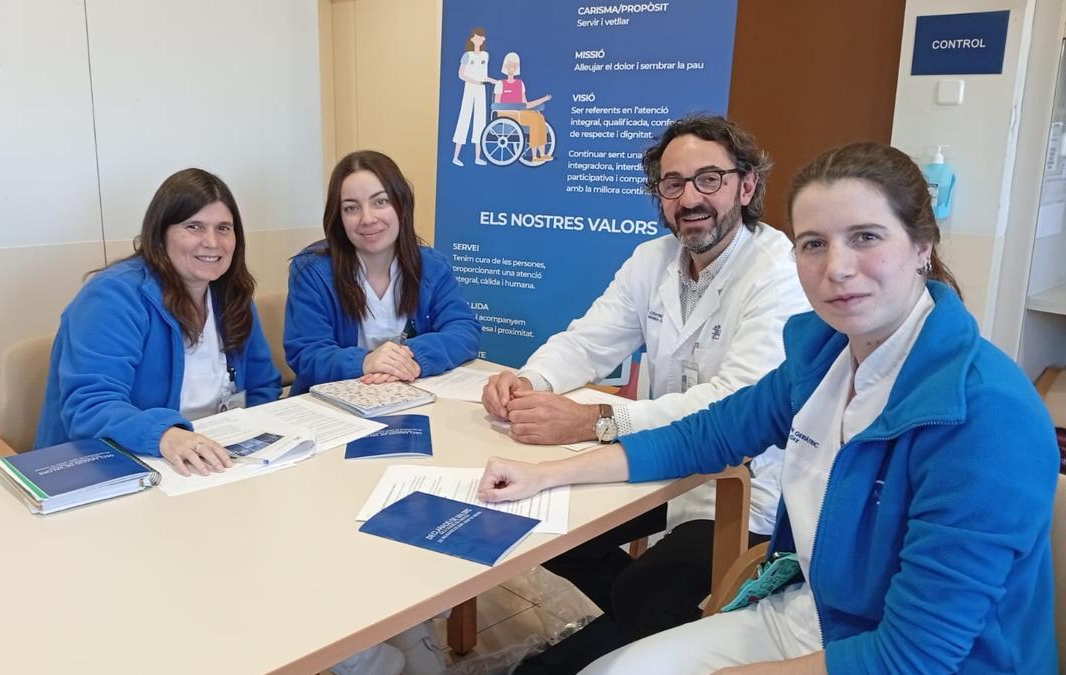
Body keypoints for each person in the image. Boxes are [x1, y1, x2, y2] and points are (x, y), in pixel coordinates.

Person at [479, 142, 1059, 674]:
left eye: (867, 237)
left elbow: (916, 654)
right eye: (814, 244)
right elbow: (701, 435)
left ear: (922, 247)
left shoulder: (986, 416)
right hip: (808, 614)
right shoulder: (822, 358)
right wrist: (544, 476)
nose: (837, 268)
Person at [482, 115, 809, 673]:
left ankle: (620, 632)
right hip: (658, 469)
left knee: (645, 592)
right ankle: (645, 622)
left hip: (745, 492)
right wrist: (529, 381)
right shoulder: (651, 260)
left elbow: (729, 408)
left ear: (746, 186)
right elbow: (587, 341)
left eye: (710, 179)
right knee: (550, 534)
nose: (690, 198)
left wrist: (592, 421)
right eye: (673, 183)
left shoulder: (779, 271)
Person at [36, 168, 282, 477]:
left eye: (223, 228)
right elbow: (90, 406)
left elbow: (262, 386)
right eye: (194, 226)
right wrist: (166, 435)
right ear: (161, 233)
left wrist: (256, 446)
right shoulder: (112, 297)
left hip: (216, 463)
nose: (212, 242)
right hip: (121, 465)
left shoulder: (232, 293)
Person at [284, 150, 480, 395]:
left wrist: (411, 356)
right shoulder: (311, 271)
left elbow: (464, 329)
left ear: (401, 204)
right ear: (339, 217)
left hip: (410, 395)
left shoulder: (433, 266)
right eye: (351, 208)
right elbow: (306, 353)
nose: (367, 218)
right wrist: (365, 362)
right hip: (333, 408)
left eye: (380, 202)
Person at [494, 52, 553, 163]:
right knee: (534, 119)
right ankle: (534, 156)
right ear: (505, 67)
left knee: (539, 117)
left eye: (514, 65)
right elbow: (497, 105)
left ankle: (542, 154)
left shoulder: (520, 83)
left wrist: (543, 99)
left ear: (517, 68)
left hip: (520, 113)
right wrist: (514, 109)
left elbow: (526, 104)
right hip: (507, 114)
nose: (512, 67)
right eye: (510, 65)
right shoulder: (500, 83)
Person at [452, 27, 497, 167]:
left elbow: (484, 75)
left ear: (483, 40)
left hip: (481, 89)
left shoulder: (485, 55)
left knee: (480, 121)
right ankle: (456, 156)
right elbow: (461, 74)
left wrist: (493, 80)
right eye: (476, 37)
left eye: (481, 37)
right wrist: (474, 81)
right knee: (464, 118)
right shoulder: (467, 55)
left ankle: (478, 156)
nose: (478, 40)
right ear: (472, 39)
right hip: (470, 88)